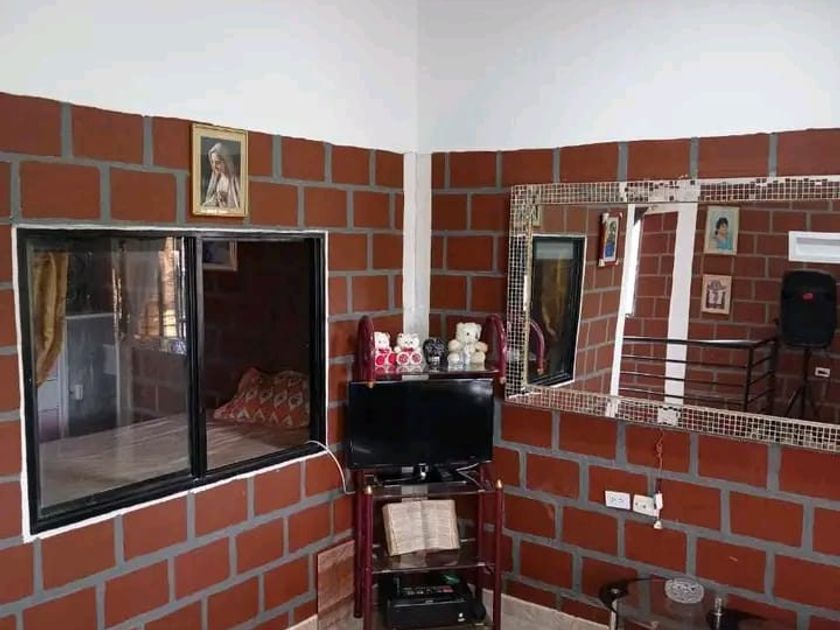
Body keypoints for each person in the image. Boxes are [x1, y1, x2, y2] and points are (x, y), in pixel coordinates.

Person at [203, 142, 241, 208]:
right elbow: (211, 202)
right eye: (212, 162)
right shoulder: (216, 179)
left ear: (226, 161)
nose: (214, 166)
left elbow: (240, 204)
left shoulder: (235, 180)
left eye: (217, 162)